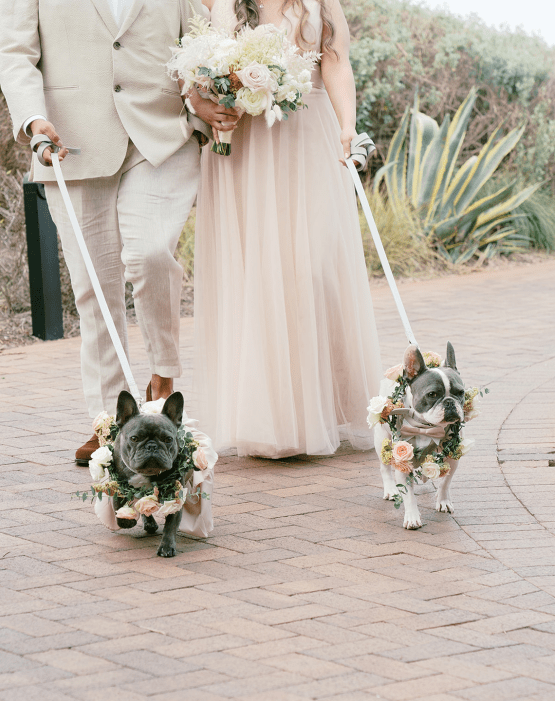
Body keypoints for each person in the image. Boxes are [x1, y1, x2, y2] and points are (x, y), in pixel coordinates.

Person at [0, 0, 238, 464]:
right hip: (70, 143)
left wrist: (205, 101)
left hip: (162, 137)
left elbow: (201, 42)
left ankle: (163, 375)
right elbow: (15, 52)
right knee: (94, 290)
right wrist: (32, 119)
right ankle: (110, 422)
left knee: (150, 253)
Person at [191, 0, 382, 458]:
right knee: (256, 274)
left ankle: (324, 410)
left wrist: (347, 127)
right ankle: (269, 421)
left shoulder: (319, 2)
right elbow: (194, 70)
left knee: (314, 268)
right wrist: (209, 97)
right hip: (246, 144)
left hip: (308, 139)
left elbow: (336, 62)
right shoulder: (219, 2)